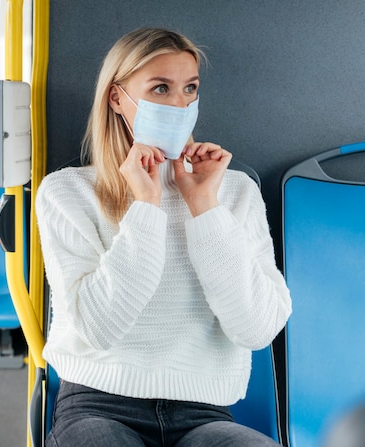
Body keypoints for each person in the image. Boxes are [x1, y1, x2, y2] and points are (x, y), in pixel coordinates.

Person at [35, 27, 292, 447]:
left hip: (202, 415)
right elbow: (99, 328)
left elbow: (257, 329)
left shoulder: (236, 190)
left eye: (190, 88)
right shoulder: (68, 192)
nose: (180, 104)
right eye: (160, 88)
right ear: (117, 99)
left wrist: (205, 207)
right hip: (98, 406)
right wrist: (146, 204)